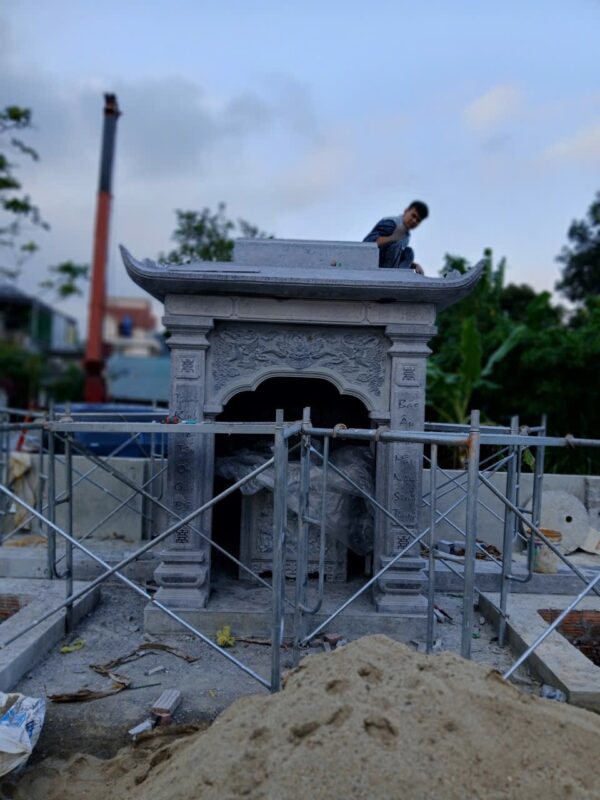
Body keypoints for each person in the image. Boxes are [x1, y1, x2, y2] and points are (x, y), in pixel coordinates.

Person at [363, 200, 429, 274]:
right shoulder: (391, 223)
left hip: (389, 266)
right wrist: (392, 238)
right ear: (406, 211)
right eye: (413, 216)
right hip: (372, 267)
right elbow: (367, 244)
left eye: (418, 220)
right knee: (396, 244)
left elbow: (396, 256)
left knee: (409, 252)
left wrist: (414, 265)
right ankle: (390, 276)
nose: (414, 221)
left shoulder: (406, 235)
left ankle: (399, 276)